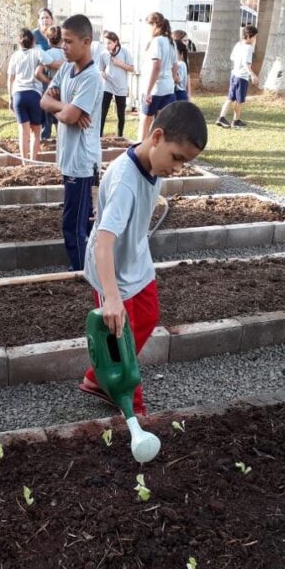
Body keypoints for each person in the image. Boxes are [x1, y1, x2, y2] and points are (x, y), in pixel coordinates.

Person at [80, 101, 208, 415]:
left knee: (148, 317)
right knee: (121, 331)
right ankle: (133, 408)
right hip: (111, 269)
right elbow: (102, 244)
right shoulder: (125, 180)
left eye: (185, 163)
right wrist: (111, 297)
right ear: (157, 137)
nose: (177, 169)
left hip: (136, 260)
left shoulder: (153, 164)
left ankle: (98, 378)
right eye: (177, 158)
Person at [41, 14, 103, 271]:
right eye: (62, 41)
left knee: (74, 221)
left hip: (81, 161)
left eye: (68, 41)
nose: (62, 46)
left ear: (85, 42)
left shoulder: (91, 78)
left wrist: (64, 111)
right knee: (83, 218)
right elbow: (45, 102)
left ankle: (79, 270)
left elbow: (66, 116)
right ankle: (90, 264)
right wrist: (66, 108)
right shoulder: (66, 68)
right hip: (68, 157)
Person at [138, 12, 178, 140]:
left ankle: (140, 148)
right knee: (160, 122)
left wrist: (148, 91)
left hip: (156, 88)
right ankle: (154, 149)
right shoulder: (171, 42)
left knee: (145, 120)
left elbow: (156, 66)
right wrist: (174, 78)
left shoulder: (156, 41)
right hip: (168, 88)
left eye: (148, 25)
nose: (147, 29)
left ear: (154, 24)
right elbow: (174, 65)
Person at [8, 28, 46, 162]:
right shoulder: (37, 52)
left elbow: (10, 79)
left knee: (23, 132)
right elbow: (48, 61)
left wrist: (10, 98)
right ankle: (33, 161)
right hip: (34, 94)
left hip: (18, 95)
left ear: (19, 43)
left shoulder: (15, 56)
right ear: (33, 41)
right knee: (36, 132)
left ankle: (25, 163)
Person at [215, 25, 258, 129]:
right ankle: (236, 120)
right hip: (241, 77)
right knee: (240, 100)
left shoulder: (238, 45)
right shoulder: (248, 48)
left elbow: (232, 57)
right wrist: (252, 75)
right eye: (254, 37)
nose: (255, 39)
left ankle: (221, 117)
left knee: (230, 98)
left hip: (234, 75)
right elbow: (245, 63)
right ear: (249, 37)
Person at [99, 30, 134, 137]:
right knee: (103, 112)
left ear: (116, 42)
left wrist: (120, 64)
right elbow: (100, 68)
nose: (107, 45)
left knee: (121, 114)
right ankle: (99, 136)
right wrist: (102, 73)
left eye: (109, 43)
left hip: (121, 87)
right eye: (105, 43)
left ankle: (120, 136)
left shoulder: (124, 51)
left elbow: (132, 68)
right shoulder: (104, 53)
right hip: (107, 85)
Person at [36, 25, 65, 142]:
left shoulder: (47, 54)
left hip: (50, 90)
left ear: (48, 40)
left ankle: (44, 143)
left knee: (47, 121)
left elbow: (38, 73)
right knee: (62, 119)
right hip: (64, 91)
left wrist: (49, 82)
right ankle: (62, 142)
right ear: (62, 40)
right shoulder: (68, 54)